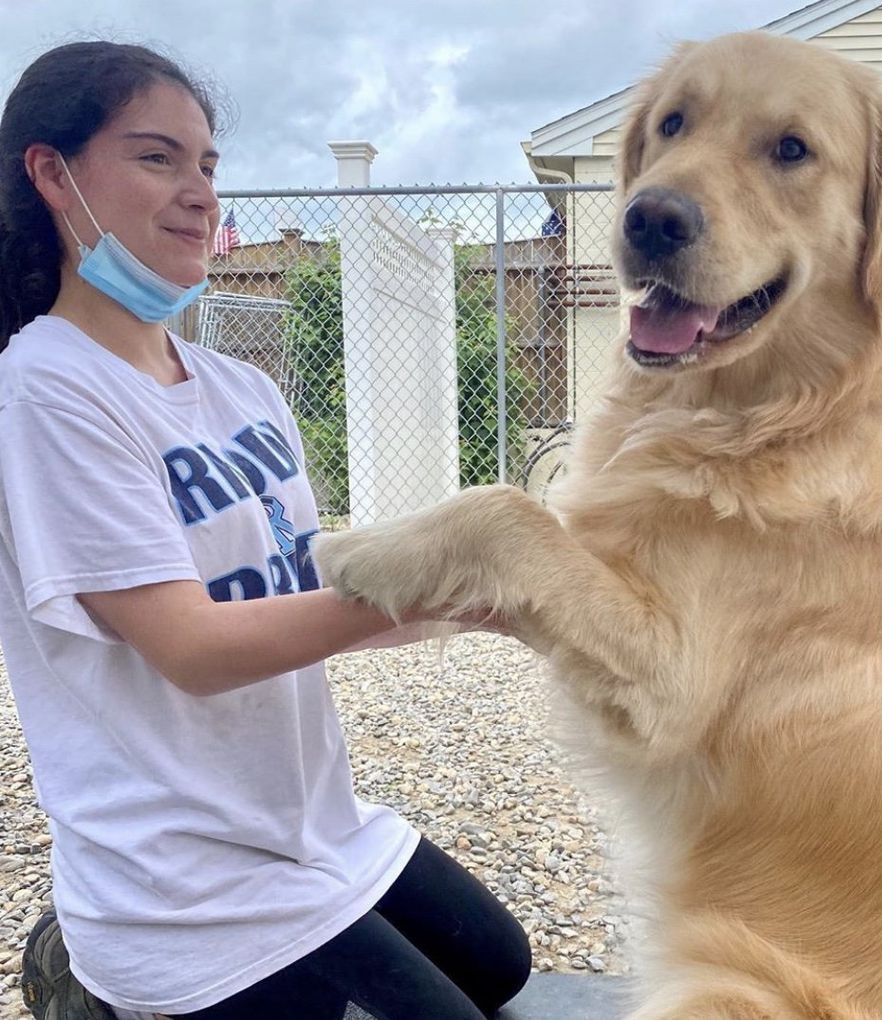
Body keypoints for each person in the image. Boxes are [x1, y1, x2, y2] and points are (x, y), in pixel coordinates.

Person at [0, 40, 531, 1020]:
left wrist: (495, 607)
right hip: (180, 880)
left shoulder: (241, 390)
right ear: (52, 175)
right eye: (157, 158)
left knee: (501, 965)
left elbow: (298, 593)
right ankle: (92, 968)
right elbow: (194, 649)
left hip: (309, 826)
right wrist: (432, 576)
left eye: (208, 165)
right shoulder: (45, 390)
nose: (200, 192)